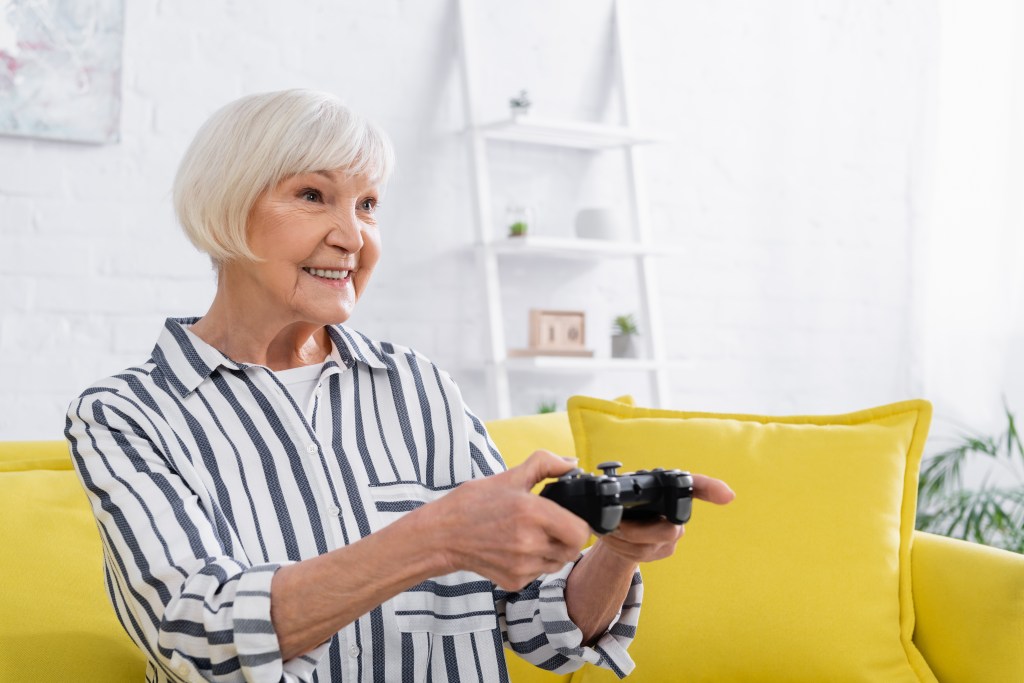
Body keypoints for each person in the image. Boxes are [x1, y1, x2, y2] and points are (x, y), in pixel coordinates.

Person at [65, 89, 735, 683]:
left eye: (368, 205)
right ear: (227, 209)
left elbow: (536, 621)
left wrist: (615, 552)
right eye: (312, 195)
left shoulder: (419, 388)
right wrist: (436, 537)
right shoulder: (127, 415)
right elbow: (197, 635)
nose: (353, 236)